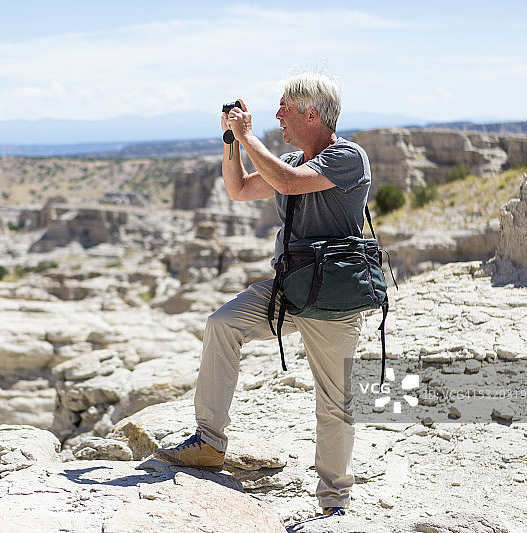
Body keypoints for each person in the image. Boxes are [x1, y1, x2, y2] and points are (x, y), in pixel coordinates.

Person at [154, 71, 371, 517]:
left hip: (331, 298)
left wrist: (249, 135)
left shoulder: (348, 158)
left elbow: (290, 182)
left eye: (285, 109)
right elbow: (237, 190)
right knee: (222, 324)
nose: (278, 116)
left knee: (333, 403)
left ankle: (334, 502)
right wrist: (232, 142)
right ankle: (209, 442)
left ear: (312, 114)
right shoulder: (289, 158)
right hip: (290, 286)